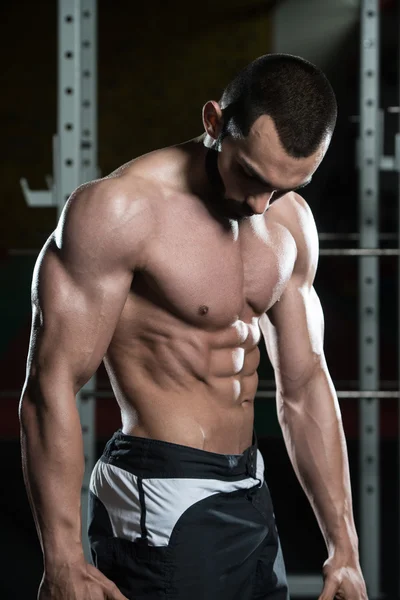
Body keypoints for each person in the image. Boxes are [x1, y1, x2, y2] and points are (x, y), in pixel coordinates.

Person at [19, 53, 367, 600]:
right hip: (162, 491)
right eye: (250, 175)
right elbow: (50, 386)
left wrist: (343, 548)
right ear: (214, 123)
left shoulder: (289, 221)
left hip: (251, 487)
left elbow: (303, 384)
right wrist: (63, 560)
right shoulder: (120, 211)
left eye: (279, 187)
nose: (259, 204)